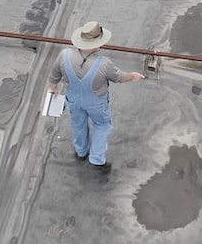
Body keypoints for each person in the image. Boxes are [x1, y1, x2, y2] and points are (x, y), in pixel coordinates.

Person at [48, 21, 144, 170]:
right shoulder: (104, 64)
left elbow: (54, 74)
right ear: (95, 44)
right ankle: (97, 158)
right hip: (97, 104)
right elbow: (119, 77)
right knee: (102, 126)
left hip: (73, 100)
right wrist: (133, 76)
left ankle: (81, 150)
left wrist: (52, 88)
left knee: (78, 124)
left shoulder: (64, 55)